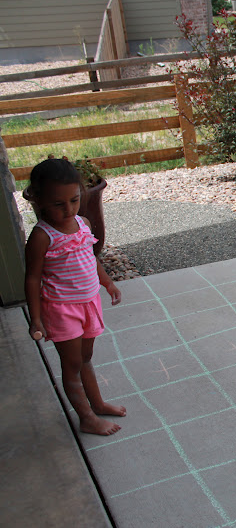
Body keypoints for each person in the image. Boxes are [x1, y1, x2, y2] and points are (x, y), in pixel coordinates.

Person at [24, 158, 126, 435]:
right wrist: (36, 319)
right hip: (61, 310)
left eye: (74, 200)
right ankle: (86, 418)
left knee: (85, 358)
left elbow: (90, 259)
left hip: (89, 303)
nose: (68, 209)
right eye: (58, 204)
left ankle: (97, 403)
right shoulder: (42, 236)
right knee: (71, 365)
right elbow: (32, 278)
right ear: (38, 200)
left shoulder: (82, 223)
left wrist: (108, 284)